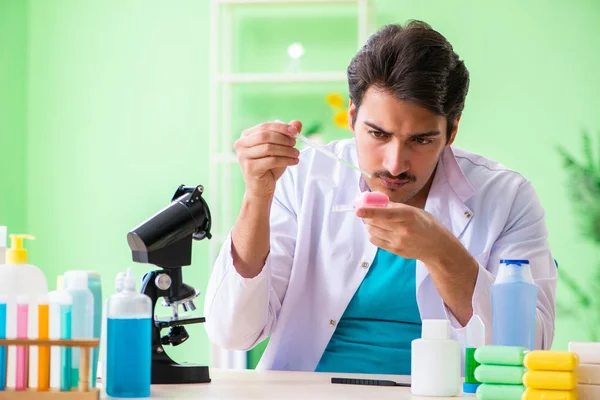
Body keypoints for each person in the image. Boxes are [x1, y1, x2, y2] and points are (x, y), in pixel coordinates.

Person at [204, 20, 557, 375]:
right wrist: (257, 196)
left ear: (451, 132)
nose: (395, 164)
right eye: (378, 134)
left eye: (421, 140)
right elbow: (233, 332)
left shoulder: (508, 197)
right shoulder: (302, 178)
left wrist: (441, 252)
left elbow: (528, 349)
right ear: (353, 117)